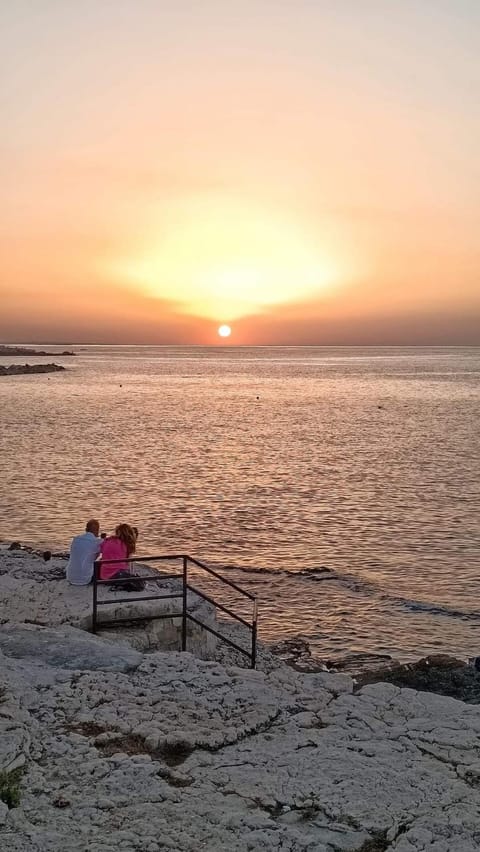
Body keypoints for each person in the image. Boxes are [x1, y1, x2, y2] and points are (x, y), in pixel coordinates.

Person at [66, 519, 101, 585]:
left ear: (86, 529)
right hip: (85, 579)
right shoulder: (96, 542)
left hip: (70, 576)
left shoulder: (76, 539)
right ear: (97, 530)